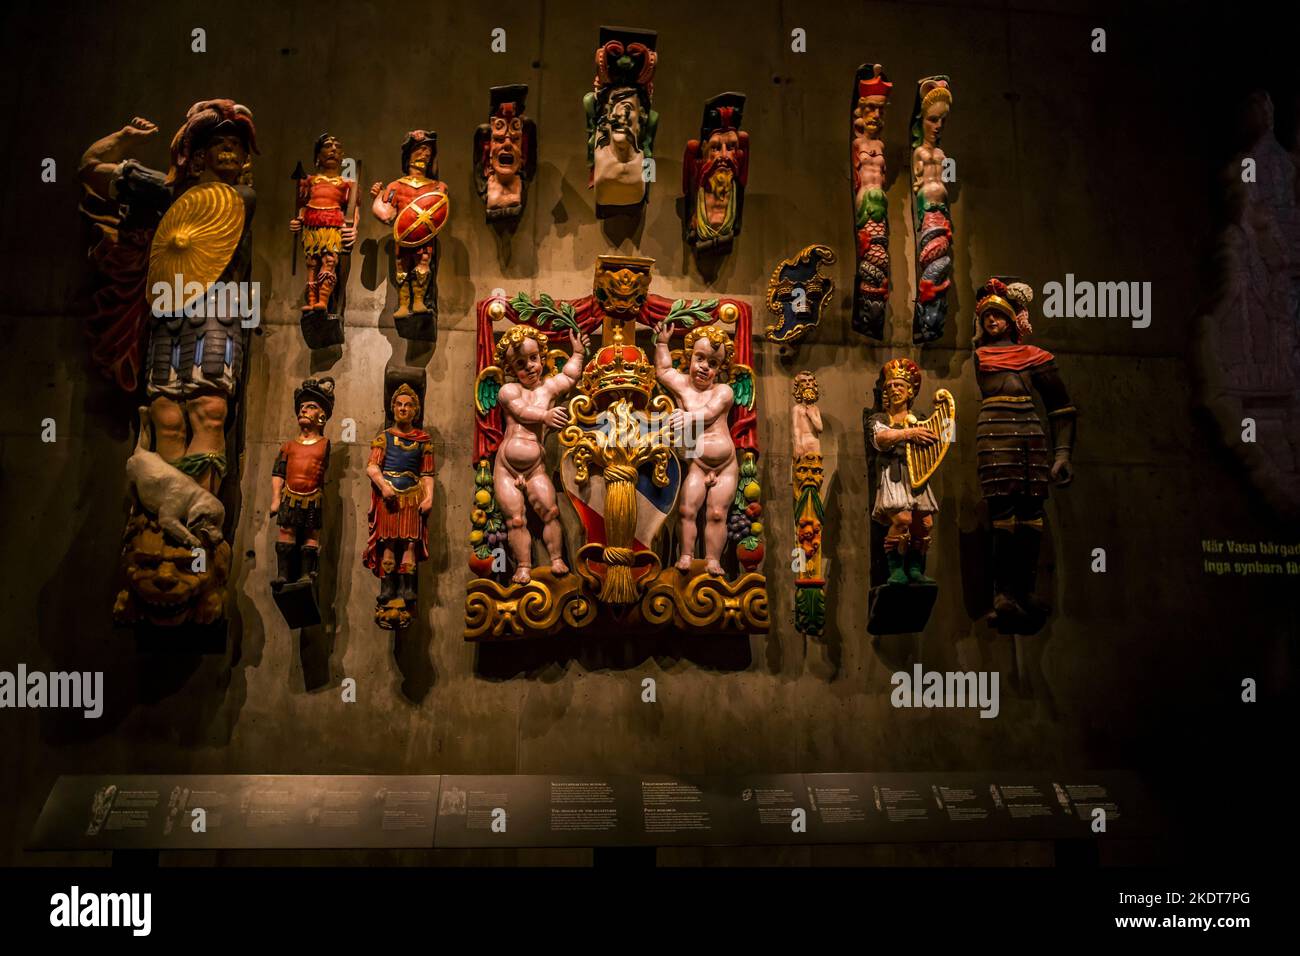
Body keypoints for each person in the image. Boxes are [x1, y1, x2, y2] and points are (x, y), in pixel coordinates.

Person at [972, 278, 1077, 630]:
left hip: (1030, 437)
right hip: (995, 436)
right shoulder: (981, 356)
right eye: (986, 316)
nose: (991, 321)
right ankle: (1003, 593)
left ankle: (1024, 589)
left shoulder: (1037, 357)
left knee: (1032, 513)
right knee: (1002, 513)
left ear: (1012, 319)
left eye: (998, 315)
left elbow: (1061, 408)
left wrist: (1062, 453)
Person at [493, 325, 589, 584]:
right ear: (511, 369)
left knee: (550, 510)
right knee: (515, 519)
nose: (530, 367)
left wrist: (578, 353)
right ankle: (523, 566)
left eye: (534, 358)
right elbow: (522, 411)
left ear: (543, 357)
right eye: (521, 363)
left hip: (535, 467)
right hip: (506, 467)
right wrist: (545, 415)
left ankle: (557, 559)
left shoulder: (547, 390)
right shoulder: (509, 391)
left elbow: (568, 378)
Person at [653, 322, 737, 575]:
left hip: (725, 466)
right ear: (689, 357)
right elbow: (663, 370)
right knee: (686, 509)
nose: (704, 367)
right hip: (697, 465)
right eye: (699, 358)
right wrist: (662, 343)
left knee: (717, 513)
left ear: (720, 369)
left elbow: (709, 413)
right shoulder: (682, 386)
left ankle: (713, 559)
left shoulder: (723, 391)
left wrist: (689, 418)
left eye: (713, 364)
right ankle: (687, 555)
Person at [364, 385, 435, 609]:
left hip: (413, 497)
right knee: (388, 543)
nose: (403, 409)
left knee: (409, 545)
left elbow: (427, 474)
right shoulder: (384, 438)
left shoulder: (423, 440)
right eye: (399, 405)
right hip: (390, 498)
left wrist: (429, 497)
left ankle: (408, 588)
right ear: (392, 408)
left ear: (416, 410)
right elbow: (372, 467)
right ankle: (387, 588)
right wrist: (384, 486)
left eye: (408, 405)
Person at [270, 377, 335, 590]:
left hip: (313, 496)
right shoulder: (288, 446)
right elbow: (278, 473)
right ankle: (283, 575)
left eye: (311, 407)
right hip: (290, 495)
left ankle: (307, 574)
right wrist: (275, 499)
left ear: (322, 416)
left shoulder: (324, 444)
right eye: (301, 407)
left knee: (310, 534)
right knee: (286, 531)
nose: (303, 410)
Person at [289, 134, 355, 314]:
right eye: (327, 146)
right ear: (318, 155)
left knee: (329, 260)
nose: (333, 149)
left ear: (342, 156)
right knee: (312, 263)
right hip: (312, 225)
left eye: (337, 146)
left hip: (333, 225)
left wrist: (353, 228)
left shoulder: (346, 183)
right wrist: (297, 221)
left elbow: (353, 210)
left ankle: (323, 301)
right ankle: (312, 301)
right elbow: (301, 207)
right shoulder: (309, 181)